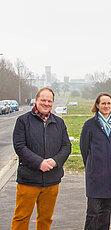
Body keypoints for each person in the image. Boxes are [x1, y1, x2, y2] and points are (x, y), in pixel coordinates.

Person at [12, 87, 71, 230]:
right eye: (43, 100)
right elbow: (20, 147)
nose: (46, 103)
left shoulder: (59, 122)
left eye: (49, 101)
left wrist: (55, 161)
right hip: (29, 180)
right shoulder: (23, 121)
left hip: (52, 180)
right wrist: (39, 163)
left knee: (46, 219)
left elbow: (66, 147)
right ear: (36, 100)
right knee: (21, 218)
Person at [80, 92, 111, 230]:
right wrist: (92, 165)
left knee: (107, 210)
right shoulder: (89, 125)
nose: (106, 106)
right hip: (96, 173)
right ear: (97, 105)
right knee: (93, 212)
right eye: (103, 103)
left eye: (109, 103)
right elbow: (84, 149)